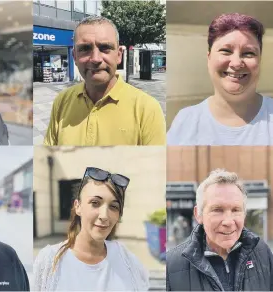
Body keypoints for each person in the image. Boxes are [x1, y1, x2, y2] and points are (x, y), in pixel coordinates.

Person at [43, 16, 165, 146]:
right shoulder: (61, 102)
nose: (95, 59)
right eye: (85, 49)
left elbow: (155, 165)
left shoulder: (147, 109)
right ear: (75, 56)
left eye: (105, 47)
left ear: (119, 55)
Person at [33, 167, 149, 291]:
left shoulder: (127, 260)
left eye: (113, 206)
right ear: (78, 206)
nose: (104, 216)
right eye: (95, 203)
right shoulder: (49, 261)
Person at [168, 13, 273, 145]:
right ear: (209, 58)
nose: (236, 63)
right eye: (226, 51)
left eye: (248, 53)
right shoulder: (185, 122)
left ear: (260, 60)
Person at [167, 169, 273, 291]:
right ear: (198, 215)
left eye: (235, 210)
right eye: (217, 210)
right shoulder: (172, 266)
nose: (228, 221)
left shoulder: (262, 253)